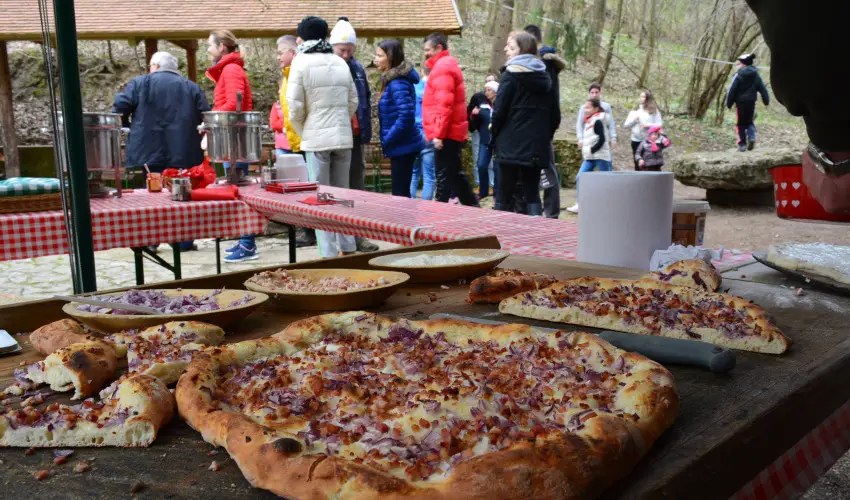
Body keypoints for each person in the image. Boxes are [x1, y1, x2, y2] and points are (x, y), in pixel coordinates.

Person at [742, 0, 850, 214]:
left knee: (743, 124)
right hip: (753, 103)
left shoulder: (743, 74)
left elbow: (807, 14)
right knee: (745, 124)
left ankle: (744, 140)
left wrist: (835, 154)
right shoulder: (752, 73)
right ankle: (746, 138)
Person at [113, 51, 210, 254]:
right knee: (182, 195)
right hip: (184, 151)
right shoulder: (191, 87)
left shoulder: (139, 84)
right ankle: (183, 241)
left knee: (151, 195)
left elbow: (119, 108)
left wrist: (128, 125)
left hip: (148, 150)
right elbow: (205, 117)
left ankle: (151, 240)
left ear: (154, 65)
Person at [286, 16, 359, 258]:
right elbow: (353, 102)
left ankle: (328, 253)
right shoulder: (340, 63)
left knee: (322, 197)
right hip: (343, 137)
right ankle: (348, 247)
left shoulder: (300, 62)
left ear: (302, 37)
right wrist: (339, 123)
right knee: (343, 196)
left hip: (316, 139)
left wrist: (304, 131)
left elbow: (294, 107)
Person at [491, 32, 559, 216]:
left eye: (511, 47)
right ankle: (534, 232)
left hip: (509, 145)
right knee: (532, 194)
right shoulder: (546, 77)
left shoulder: (510, 74)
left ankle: (499, 235)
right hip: (535, 147)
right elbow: (555, 115)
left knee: (504, 195)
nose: (507, 50)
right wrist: (544, 137)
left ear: (523, 51)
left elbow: (498, 111)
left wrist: (494, 136)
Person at [205, 30, 258, 262]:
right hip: (231, 135)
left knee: (241, 191)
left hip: (233, 137)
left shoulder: (231, 69)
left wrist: (211, 117)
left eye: (210, 45)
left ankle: (248, 245)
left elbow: (234, 102)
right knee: (237, 189)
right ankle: (244, 240)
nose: (208, 50)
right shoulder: (229, 68)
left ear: (222, 47)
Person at [328, 18, 379, 253]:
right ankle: (335, 240)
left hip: (356, 136)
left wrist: (366, 130)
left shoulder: (357, 68)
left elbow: (364, 101)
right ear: (332, 47)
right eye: (342, 50)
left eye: (350, 50)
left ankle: (358, 236)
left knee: (356, 190)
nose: (346, 54)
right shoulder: (326, 65)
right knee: (335, 192)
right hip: (334, 136)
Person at [421, 33, 478, 206]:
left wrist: (438, 134)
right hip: (451, 132)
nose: (425, 54)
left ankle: (439, 216)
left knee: (444, 177)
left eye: (428, 50)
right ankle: (473, 208)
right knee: (454, 175)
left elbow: (443, 104)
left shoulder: (442, 68)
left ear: (439, 48)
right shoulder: (445, 66)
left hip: (446, 134)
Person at [525, 24, 567, 219]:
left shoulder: (546, 64)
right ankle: (537, 211)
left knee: (546, 171)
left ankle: (551, 214)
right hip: (533, 127)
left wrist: (548, 128)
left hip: (543, 128)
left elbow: (550, 100)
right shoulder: (537, 63)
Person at [375, 40, 425, 197]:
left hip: (402, 145)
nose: (376, 59)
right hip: (400, 145)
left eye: (379, 55)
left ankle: (406, 222)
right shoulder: (392, 81)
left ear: (390, 57)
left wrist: (388, 139)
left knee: (400, 195)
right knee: (400, 193)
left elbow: (406, 116)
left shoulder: (397, 83)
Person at [570, 83, 616, 213]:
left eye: (597, 92)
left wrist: (613, 138)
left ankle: (609, 204)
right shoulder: (588, 117)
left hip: (601, 156)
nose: (585, 110)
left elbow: (601, 138)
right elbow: (581, 126)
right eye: (592, 92)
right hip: (590, 156)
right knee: (580, 177)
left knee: (606, 180)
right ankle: (581, 203)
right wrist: (582, 140)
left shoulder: (599, 118)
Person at [725, 53, 770, 152]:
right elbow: (762, 88)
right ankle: (752, 137)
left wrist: (729, 103)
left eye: (739, 63)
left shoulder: (738, 75)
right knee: (749, 121)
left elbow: (732, 89)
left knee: (740, 124)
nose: (738, 65)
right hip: (751, 102)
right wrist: (766, 100)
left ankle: (742, 144)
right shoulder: (756, 75)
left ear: (744, 64)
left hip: (740, 103)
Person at [467, 72, 499, 191]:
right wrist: (473, 121)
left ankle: (493, 186)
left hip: (496, 137)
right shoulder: (478, 97)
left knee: (494, 164)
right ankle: (481, 185)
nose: (486, 90)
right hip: (481, 134)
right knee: (480, 161)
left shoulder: (501, 101)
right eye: (486, 84)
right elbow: (470, 112)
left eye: (489, 87)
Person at [410, 66, 436, 200]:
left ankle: (409, 207)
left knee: (413, 173)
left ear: (422, 71)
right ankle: (425, 210)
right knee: (429, 176)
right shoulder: (435, 90)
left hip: (414, 133)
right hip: (429, 133)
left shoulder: (413, 88)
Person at [623, 90, 663, 170]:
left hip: (650, 140)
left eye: (643, 96)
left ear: (648, 98)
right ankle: (638, 179)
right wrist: (634, 120)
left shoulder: (653, 110)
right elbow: (626, 125)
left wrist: (648, 125)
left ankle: (652, 179)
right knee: (638, 162)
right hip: (636, 140)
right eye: (640, 96)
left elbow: (659, 124)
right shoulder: (635, 111)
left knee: (650, 162)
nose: (641, 98)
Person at [476, 80, 498, 199]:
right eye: (485, 90)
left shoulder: (500, 104)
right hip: (485, 140)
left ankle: (497, 193)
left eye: (489, 90)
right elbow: (476, 123)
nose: (486, 93)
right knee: (481, 165)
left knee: (496, 167)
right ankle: (483, 191)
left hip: (497, 141)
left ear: (495, 92)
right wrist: (474, 115)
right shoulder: (482, 104)